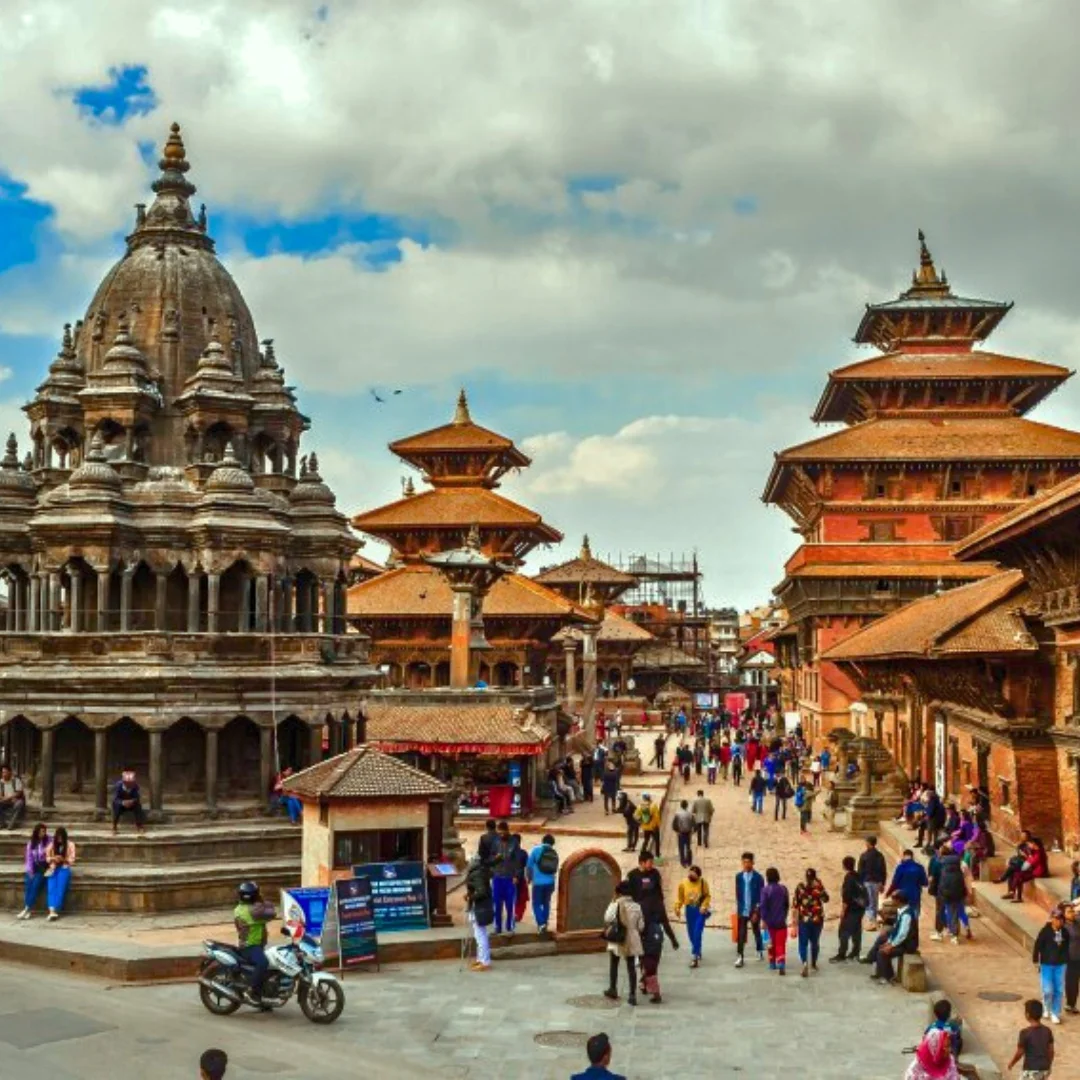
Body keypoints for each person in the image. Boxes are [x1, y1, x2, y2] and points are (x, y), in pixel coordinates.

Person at [233, 880, 275, 1002]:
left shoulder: (239, 909)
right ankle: (251, 991)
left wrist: (261, 902)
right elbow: (272, 912)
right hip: (250, 947)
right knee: (263, 963)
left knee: (268, 970)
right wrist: (263, 902)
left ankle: (264, 999)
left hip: (251, 944)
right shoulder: (255, 911)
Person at [602, 881, 643, 1006]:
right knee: (631, 967)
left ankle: (613, 988)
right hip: (632, 938)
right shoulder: (637, 906)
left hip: (619, 936)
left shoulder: (616, 904)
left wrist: (612, 901)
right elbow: (641, 926)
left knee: (614, 963)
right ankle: (632, 995)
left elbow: (607, 918)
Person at [1033, 907, 1070, 1025]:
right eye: (1056, 919)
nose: (1058, 921)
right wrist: (1035, 960)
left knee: (1058, 989)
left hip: (1060, 964)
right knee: (1048, 989)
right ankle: (1046, 1006)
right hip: (1047, 964)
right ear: (1052, 919)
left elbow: (1066, 946)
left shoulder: (1065, 932)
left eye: (1060, 919)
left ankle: (1055, 1012)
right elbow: (1037, 946)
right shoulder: (1045, 931)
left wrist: (1065, 959)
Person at [933, 843, 973, 945]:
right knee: (960, 910)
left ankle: (952, 932)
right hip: (960, 890)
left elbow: (935, 878)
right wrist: (969, 891)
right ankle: (966, 927)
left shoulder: (940, 863)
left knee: (949, 912)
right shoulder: (961, 863)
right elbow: (968, 878)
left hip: (946, 891)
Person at [793, 867, 829, 977]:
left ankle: (804, 962)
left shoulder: (800, 886)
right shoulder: (818, 886)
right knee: (815, 942)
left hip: (804, 919)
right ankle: (813, 963)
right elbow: (826, 899)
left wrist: (794, 921)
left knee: (802, 943)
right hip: (817, 919)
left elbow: (795, 904)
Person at [830, 854, 866, 963]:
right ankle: (855, 951)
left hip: (851, 909)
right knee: (856, 930)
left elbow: (847, 896)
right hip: (860, 908)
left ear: (844, 866)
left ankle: (842, 953)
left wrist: (843, 911)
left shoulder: (848, 878)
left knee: (843, 931)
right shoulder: (858, 875)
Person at [872, 897, 916, 985]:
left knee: (882, 952)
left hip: (907, 945)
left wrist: (891, 945)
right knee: (881, 946)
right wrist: (888, 942)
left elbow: (902, 934)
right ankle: (882, 973)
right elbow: (896, 930)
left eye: (894, 899)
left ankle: (887, 977)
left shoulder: (906, 915)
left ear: (898, 900)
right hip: (901, 942)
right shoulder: (902, 911)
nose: (892, 901)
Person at [1006, 999, 1054, 1078]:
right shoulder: (1047, 1031)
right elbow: (1051, 1050)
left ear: (1027, 1015)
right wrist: (1048, 1064)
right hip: (1045, 1068)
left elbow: (1020, 1052)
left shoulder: (1024, 1033)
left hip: (1031, 1069)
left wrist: (1012, 1062)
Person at [675, 864, 710, 968]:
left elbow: (707, 896)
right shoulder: (683, 884)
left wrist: (704, 906)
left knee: (697, 932)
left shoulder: (703, 883)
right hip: (689, 910)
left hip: (700, 911)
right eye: (690, 873)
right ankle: (697, 950)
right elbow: (680, 898)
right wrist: (677, 907)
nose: (691, 876)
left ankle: (694, 956)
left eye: (694, 875)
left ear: (698, 876)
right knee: (691, 933)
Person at [734, 851, 764, 968]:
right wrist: (740, 907)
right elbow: (738, 893)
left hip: (754, 909)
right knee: (741, 933)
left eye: (748, 862)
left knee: (756, 930)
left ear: (753, 863)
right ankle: (740, 956)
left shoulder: (758, 878)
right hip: (743, 910)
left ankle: (759, 949)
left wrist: (757, 910)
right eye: (744, 862)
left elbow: (762, 896)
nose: (746, 864)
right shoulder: (738, 877)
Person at [464, 853, 495, 972]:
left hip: (480, 907)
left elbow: (481, 892)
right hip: (482, 906)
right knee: (479, 934)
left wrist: (470, 897)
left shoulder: (476, 874)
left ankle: (484, 961)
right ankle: (481, 958)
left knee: (480, 935)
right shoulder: (483, 872)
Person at [525, 833, 559, 933]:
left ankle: (541, 923)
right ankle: (545, 922)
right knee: (546, 903)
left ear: (543, 841)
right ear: (552, 843)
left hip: (538, 883)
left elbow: (529, 866)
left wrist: (529, 878)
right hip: (550, 882)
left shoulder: (536, 850)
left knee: (536, 904)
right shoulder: (554, 852)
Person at [760, 867, 790, 975]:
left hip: (769, 922)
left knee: (770, 944)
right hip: (781, 921)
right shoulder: (783, 889)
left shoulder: (765, 890)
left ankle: (772, 963)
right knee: (780, 944)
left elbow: (763, 906)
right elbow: (787, 905)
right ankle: (781, 963)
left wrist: (763, 920)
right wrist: (784, 916)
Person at [17, 822, 49, 920]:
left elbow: (47, 856)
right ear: (37, 832)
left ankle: (27, 909)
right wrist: (30, 871)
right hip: (33, 867)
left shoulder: (48, 841)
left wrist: (43, 852)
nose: (43, 833)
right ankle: (28, 910)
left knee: (35, 886)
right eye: (41, 832)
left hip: (43, 868)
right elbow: (29, 858)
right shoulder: (31, 843)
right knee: (28, 885)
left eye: (44, 831)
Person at [491, 820, 517, 935]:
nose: (501, 835)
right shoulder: (495, 842)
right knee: (497, 904)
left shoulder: (514, 842)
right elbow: (490, 858)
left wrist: (516, 875)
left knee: (510, 904)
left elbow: (518, 861)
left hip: (510, 877)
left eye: (503, 833)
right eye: (499, 833)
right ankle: (498, 927)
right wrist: (495, 858)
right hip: (497, 876)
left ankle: (510, 927)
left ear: (507, 831)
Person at [45, 825, 76, 921]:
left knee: (60, 887)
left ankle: (54, 910)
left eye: (61, 837)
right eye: (58, 837)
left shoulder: (70, 844)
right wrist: (53, 858)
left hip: (64, 868)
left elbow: (72, 860)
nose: (59, 839)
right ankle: (52, 911)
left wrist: (64, 859)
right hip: (53, 868)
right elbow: (46, 858)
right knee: (51, 887)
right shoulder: (51, 845)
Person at [887, 848, 929, 917]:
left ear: (904, 856)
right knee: (914, 918)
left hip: (902, 896)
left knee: (903, 916)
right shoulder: (919, 867)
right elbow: (925, 883)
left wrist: (888, 893)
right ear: (912, 856)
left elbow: (895, 882)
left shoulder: (901, 867)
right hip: (915, 896)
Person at [858, 836, 888, 928]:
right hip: (877, 882)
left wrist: (859, 883)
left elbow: (860, 870)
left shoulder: (864, 855)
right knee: (874, 902)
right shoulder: (880, 855)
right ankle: (873, 919)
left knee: (868, 902)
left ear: (869, 843)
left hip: (867, 881)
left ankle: (871, 921)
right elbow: (883, 870)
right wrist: (882, 883)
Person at [111, 769, 147, 834]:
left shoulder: (135, 786)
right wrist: (122, 802)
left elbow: (137, 797)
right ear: (124, 782)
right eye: (128, 783)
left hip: (131, 803)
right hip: (121, 804)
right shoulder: (118, 786)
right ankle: (114, 826)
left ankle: (139, 826)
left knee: (138, 807)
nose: (129, 784)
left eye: (131, 783)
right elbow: (115, 799)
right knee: (116, 807)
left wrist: (132, 801)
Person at [0, 766, 26, 830]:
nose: (4, 774)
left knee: (19, 804)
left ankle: (11, 824)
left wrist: (10, 798)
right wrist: (4, 798)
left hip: (16, 800)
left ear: (10, 772)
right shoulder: (1, 782)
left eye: (5, 772)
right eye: (3, 772)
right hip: (6, 800)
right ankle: (2, 823)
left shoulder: (16, 780)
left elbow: (19, 792)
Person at [1065, 903, 1080, 1015]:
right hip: (1071, 958)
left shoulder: (1078, 923)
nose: (1073, 913)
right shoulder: (1063, 927)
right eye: (1069, 911)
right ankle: (1071, 1004)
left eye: (1073, 911)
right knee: (1072, 983)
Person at [636, 794, 661, 858]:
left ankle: (642, 853)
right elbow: (657, 817)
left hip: (645, 827)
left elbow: (636, 816)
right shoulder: (653, 806)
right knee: (657, 841)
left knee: (646, 840)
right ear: (649, 798)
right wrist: (658, 825)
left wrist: (641, 822)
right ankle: (657, 854)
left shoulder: (640, 806)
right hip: (653, 827)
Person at [672, 799, 695, 868]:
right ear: (687, 806)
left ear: (681, 806)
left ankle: (683, 862)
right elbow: (694, 824)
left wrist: (677, 831)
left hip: (681, 833)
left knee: (681, 848)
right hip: (688, 833)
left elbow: (674, 825)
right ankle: (689, 862)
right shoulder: (690, 814)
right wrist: (692, 831)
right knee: (688, 847)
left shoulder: (677, 814)